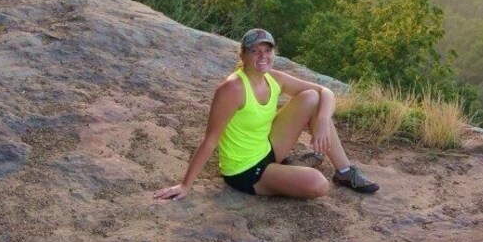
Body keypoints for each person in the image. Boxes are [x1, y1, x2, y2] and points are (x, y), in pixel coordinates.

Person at [154, 28, 378, 200]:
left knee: (312, 97)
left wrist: (321, 120)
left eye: (267, 50)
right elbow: (210, 139)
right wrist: (185, 185)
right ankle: (281, 175)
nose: (263, 56)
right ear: (243, 55)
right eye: (255, 51)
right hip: (245, 170)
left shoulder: (273, 78)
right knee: (319, 185)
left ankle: (344, 171)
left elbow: (325, 92)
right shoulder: (232, 88)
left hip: (267, 148)